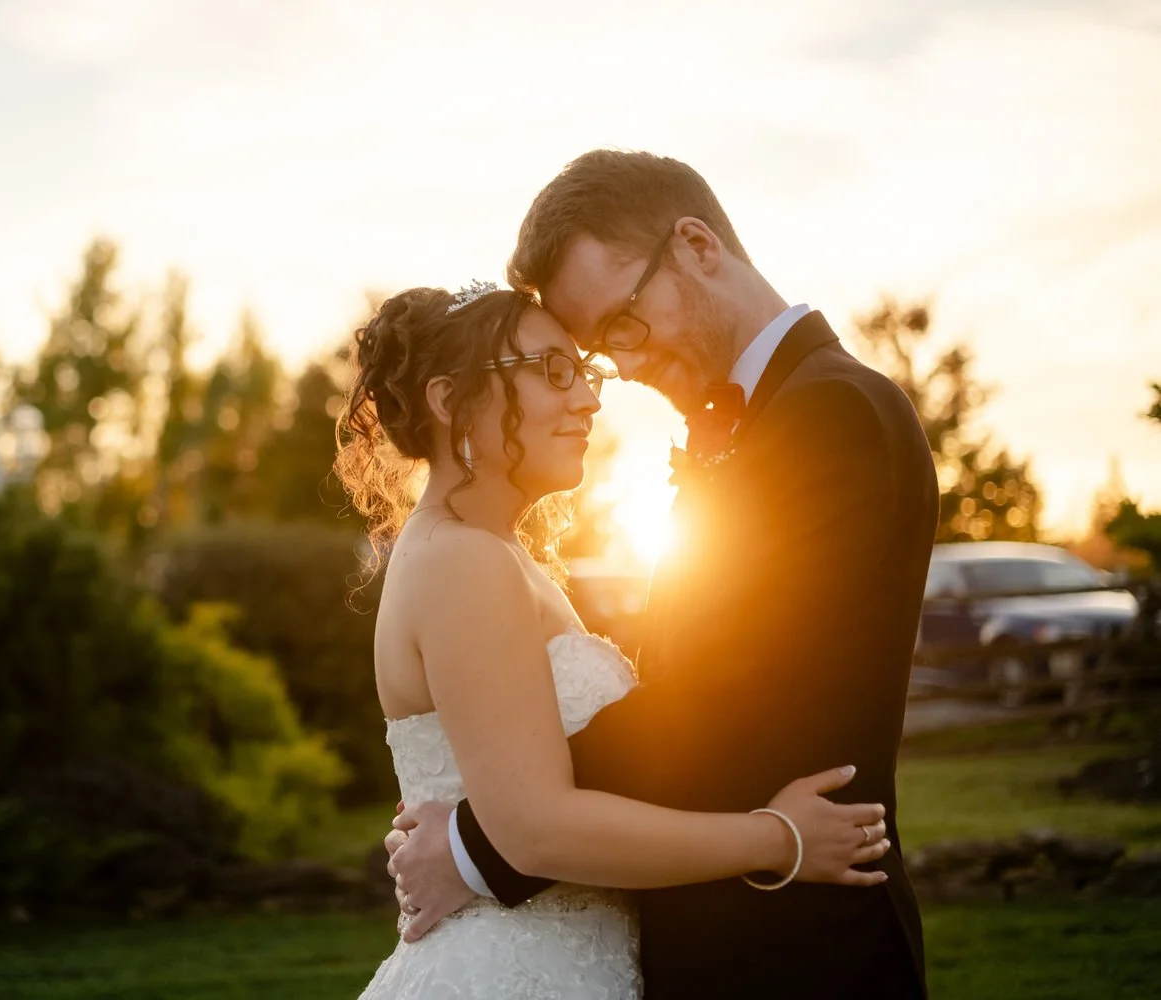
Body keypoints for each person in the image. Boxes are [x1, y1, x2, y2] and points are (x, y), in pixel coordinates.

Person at [384, 151, 937, 999]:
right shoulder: (760, 430)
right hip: (712, 934)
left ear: (697, 245)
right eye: (600, 351)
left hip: (799, 948)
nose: (624, 371)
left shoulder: (830, 415)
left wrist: (479, 844)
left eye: (623, 325)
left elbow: (724, 701)